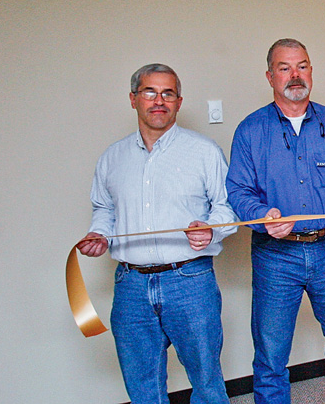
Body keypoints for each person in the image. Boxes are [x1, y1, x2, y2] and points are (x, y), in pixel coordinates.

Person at [76, 63, 238, 404]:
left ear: (179, 102)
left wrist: (211, 231)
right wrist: (98, 234)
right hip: (130, 287)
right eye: (150, 92)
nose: (159, 100)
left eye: (168, 93)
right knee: (143, 387)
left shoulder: (204, 152)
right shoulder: (112, 158)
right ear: (134, 99)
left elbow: (228, 208)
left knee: (207, 383)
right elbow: (104, 210)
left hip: (191, 282)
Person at [226, 38, 325, 404]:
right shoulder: (250, 130)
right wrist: (263, 216)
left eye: (302, 65)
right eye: (285, 68)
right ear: (270, 76)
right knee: (271, 357)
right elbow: (238, 191)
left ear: (311, 71)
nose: (295, 75)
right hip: (276, 256)